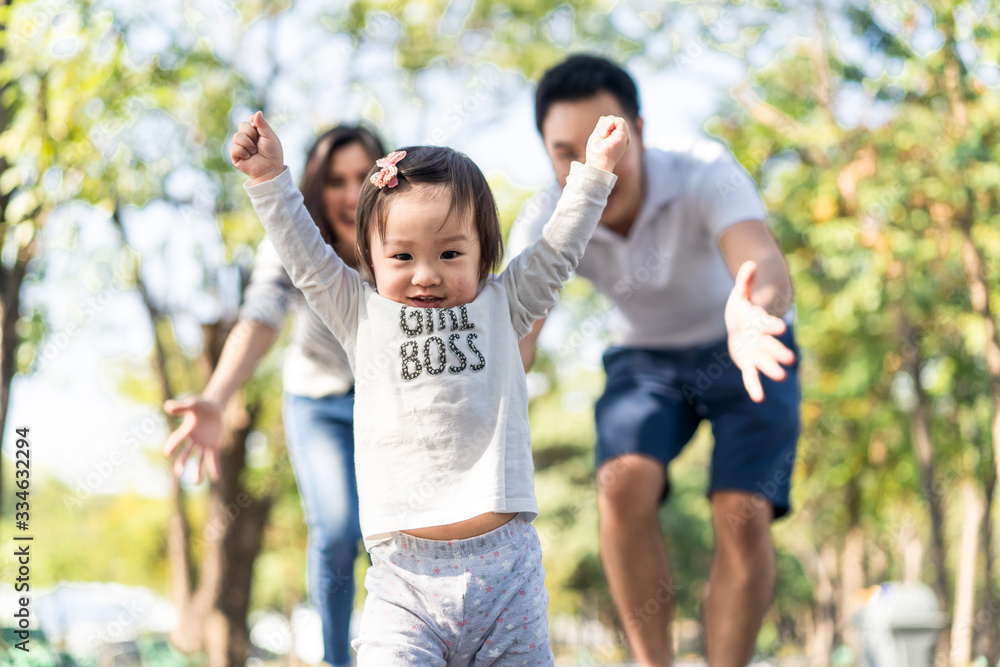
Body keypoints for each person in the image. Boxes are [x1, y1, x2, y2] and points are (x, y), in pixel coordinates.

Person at [219, 110, 628, 666]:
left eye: (451, 254)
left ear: (485, 253)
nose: (426, 274)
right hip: (404, 581)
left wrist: (594, 175)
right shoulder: (359, 312)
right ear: (369, 255)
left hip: (507, 574)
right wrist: (269, 179)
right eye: (402, 256)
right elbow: (305, 257)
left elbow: (558, 250)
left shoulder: (505, 305)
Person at [507, 54, 801, 667]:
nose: (591, 168)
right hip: (646, 358)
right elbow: (516, 338)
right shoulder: (546, 217)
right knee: (620, 484)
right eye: (566, 152)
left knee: (740, 515)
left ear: (638, 129)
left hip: (746, 341)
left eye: (605, 143)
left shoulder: (702, 170)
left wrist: (755, 310)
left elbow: (763, 263)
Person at [162, 123, 386, 667]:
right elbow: (262, 313)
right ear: (315, 183)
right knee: (337, 530)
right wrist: (216, 398)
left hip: (389, 404)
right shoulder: (294, 232)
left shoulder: (402, 236)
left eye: (363, 177)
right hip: (319, 402)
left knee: (395, 534)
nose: (350, 192)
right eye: (336, 179)